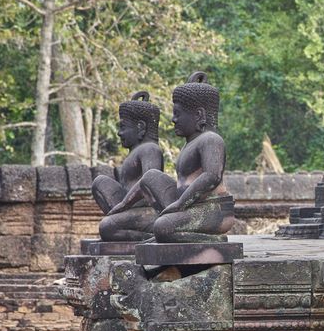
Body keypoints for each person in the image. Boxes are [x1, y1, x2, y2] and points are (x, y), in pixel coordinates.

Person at [108, 72, 234, 243]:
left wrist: (181, 203)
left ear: (198, 115)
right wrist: (124, 204)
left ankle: (213, 240)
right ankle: (162, 234)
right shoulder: (190, 144)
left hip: (213, 210)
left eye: (177, 114)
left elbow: (212, 176)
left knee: (162, 227)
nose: (173, 120)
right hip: (190, 206)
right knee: (151, 177)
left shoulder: (211, 139)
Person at [91, 92, 163, 241]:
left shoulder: (150, 149)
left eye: (123, 127)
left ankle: (149, 237)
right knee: (100, 182)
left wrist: (125, 203)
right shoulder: (136, 152)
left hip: (147, 211)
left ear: (140, 127)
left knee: (106, 227)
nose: (119, 133)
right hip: (131, 209)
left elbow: (150, 184)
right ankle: (121, 226)